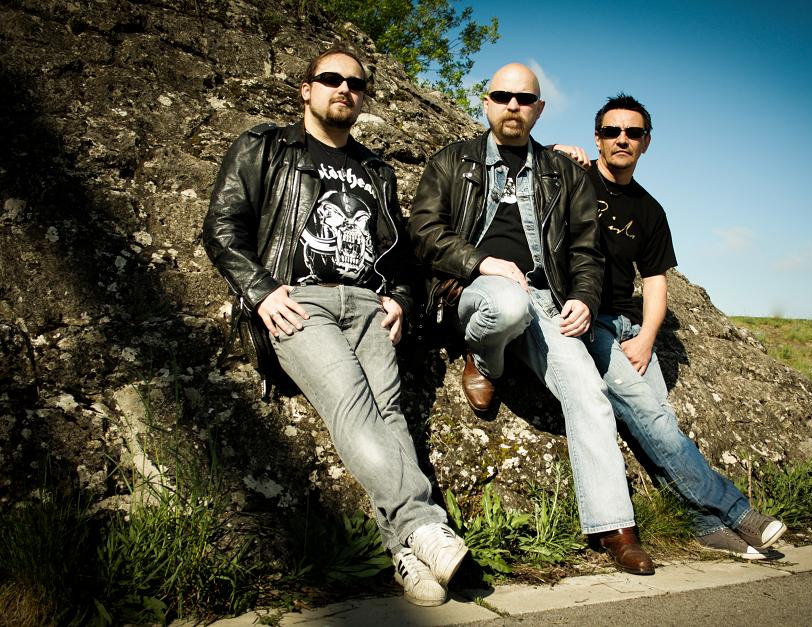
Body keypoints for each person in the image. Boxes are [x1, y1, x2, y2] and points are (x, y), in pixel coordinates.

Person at [202, 45, 467, 606]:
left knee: (390, 416)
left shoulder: (375, 170)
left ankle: (406, 554)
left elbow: (399, 255)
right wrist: (261, 290)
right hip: (299, 300)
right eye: (331, 78)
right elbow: (223, 227)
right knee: (352, 405)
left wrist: (400, 298)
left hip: (368, 305)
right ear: (307, 89)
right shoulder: (266, 147)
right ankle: (424, 524)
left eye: (356, 83)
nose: (344, 88)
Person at [408, 64, 655, 575]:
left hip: (544, 299)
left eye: (525, 98)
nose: (513, 105)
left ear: (539, 109)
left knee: (588, 391)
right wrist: (481, 262)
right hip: (471, 289)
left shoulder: (563, 172)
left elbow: (587, 249)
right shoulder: (453, 160)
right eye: (503, 96)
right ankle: (484, 360)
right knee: (507, 303)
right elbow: (424, 231)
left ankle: (615, 527)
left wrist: (583, 297)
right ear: (487, 102)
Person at [553, 94, 787, 558]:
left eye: (633, 133)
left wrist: (646, 337)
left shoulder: (650, 210)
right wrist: (557, 151)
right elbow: (527, 166)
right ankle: (737, 511)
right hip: (589, 320)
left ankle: (701, 523)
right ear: (597, 138)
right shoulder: (575, 177)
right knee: (653, 419)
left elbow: (656, 282)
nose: (622, 139)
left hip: (628, 324)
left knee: (657, 424)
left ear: (646, 142)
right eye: (612, 131)